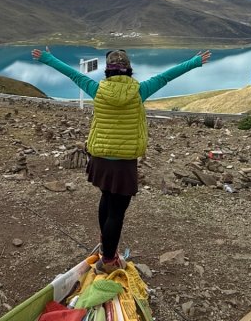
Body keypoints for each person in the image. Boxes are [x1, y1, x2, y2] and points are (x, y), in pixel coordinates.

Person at [32, 47, 211, 274]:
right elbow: (167, 76)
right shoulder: (140, 90)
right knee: (117, 212)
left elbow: (72, 74)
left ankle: (105, 242)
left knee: (106, 197)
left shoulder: (97, 89)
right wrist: (194, 61)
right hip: (124, 162)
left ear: (108, 71)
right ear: (129, 71)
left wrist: (47, 58)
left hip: (100, 158)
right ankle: (108, 261)